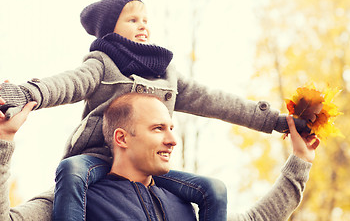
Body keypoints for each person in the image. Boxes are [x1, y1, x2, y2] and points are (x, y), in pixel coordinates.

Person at [0, 0, 309, 221]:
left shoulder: (167, 75)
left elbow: (218, 103)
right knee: (70, 169)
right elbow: (64, 85)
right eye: (132, 20)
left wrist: (281, 127)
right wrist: (21, 98)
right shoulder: (101, 66)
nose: (142, 26)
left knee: (214, 188)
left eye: (145, 20)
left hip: (151, 177)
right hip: (93, 160)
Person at [0, 93, 319, 220]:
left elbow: (255, 219)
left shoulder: (185, 204)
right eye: (157, 129)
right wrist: (4, 141)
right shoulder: (77, 197)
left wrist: (300, 162)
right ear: (121, 137)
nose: (172, 140)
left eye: (171, 128)